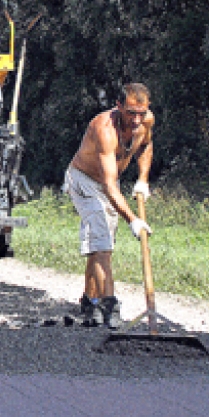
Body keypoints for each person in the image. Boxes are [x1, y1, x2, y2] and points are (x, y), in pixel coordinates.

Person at [63, 83, 155, 328]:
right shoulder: (104, 129)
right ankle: (109, 304)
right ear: (119, 106)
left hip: (108, 183)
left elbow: (145, 146)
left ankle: (90, 300)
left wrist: (142, 179)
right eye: (130, 113)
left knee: (101, 245)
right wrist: (133, 220)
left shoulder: (146, 121)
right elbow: (110, 186)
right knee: (102, 241)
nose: (136, 120)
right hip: (84, 181)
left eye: (141, 113)